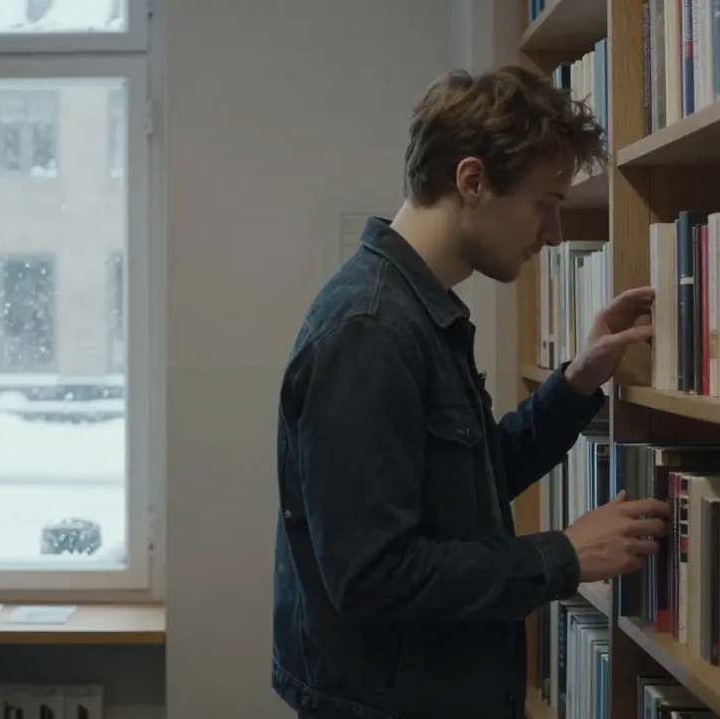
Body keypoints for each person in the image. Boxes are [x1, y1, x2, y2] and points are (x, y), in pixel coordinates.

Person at [270, 65, 670, 719]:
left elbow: (466, 486)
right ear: (473, 180)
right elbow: (372, 576)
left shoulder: (417, 317)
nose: (554, 235)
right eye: (545, 203)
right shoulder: (371, 331)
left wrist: (577, 381)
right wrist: (563, 555)